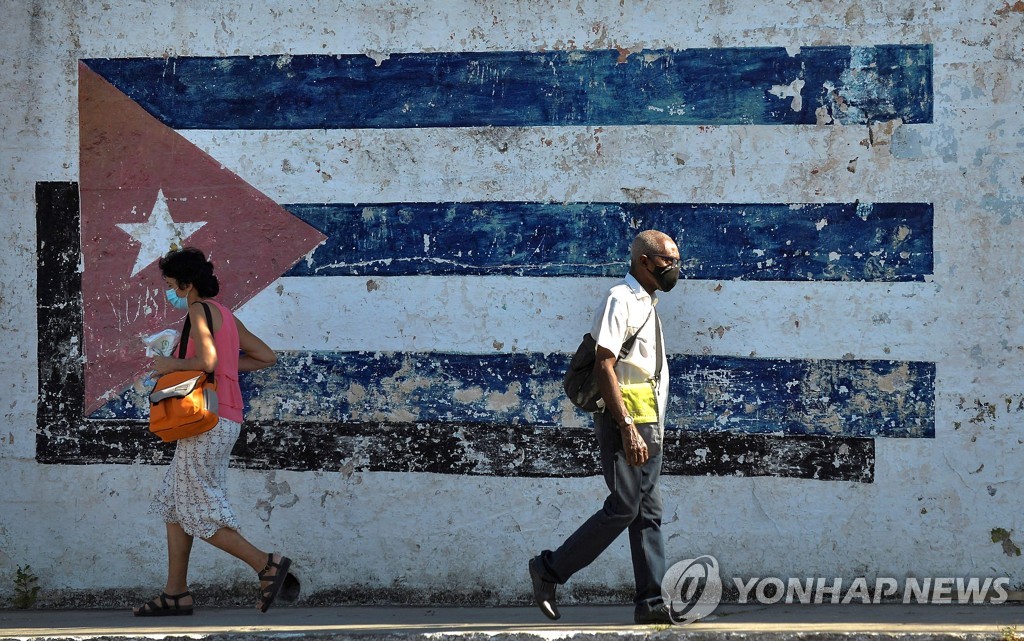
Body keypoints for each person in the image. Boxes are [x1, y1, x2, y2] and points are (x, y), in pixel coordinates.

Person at [134, 247, 299, 616]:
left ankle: (266, 564)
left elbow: (205, 361)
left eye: (170, 285)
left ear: (188, 284)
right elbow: (265, 356)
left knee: (198, 510)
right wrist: (225, 366)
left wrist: (168, 365)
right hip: (226, 419)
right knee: (174, 503)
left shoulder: (197, 310)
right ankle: (175, 594)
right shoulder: (225, 314)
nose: (169, 291)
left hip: (205, 419)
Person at [529, 230, 681, 625]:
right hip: (623, 421)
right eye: (668, 260)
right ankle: (549, 570)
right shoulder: (619, 299)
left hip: (648, 419)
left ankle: (651, 605)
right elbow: (604, 364)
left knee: (648, 512)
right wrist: (627, 425)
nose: (675, 268)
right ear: (644, 261)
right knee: (625, 507)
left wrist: (650, 423)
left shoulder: (647, 302)